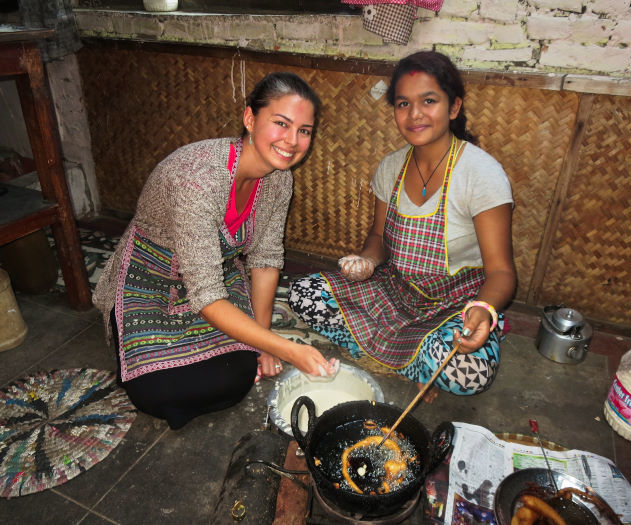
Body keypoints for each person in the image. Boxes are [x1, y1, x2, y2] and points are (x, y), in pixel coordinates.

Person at [93, 72, 333, 429]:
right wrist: (289, 349)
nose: (292, 141)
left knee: (235, 377)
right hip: (150, 278)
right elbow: (206, 297)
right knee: (156, 392)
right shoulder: (198, 177)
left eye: (304, 131)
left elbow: (265, 261)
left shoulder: (280, 180)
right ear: (250, 118)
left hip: (214, 275)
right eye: (281, 124)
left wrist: (265, 343)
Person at [288, 51, 516, 399]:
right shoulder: (391, 167)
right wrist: (366, 260)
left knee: (471, 374)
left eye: (428, 101)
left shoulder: (480, 174)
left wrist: (483, 311)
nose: (414, 114)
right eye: (402, 103)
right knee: (303, 294)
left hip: (454, 305)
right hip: (395, 290)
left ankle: (396, 353)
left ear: (453, 107)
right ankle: (417, 364)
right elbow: (378, 237)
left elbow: (501, 273)